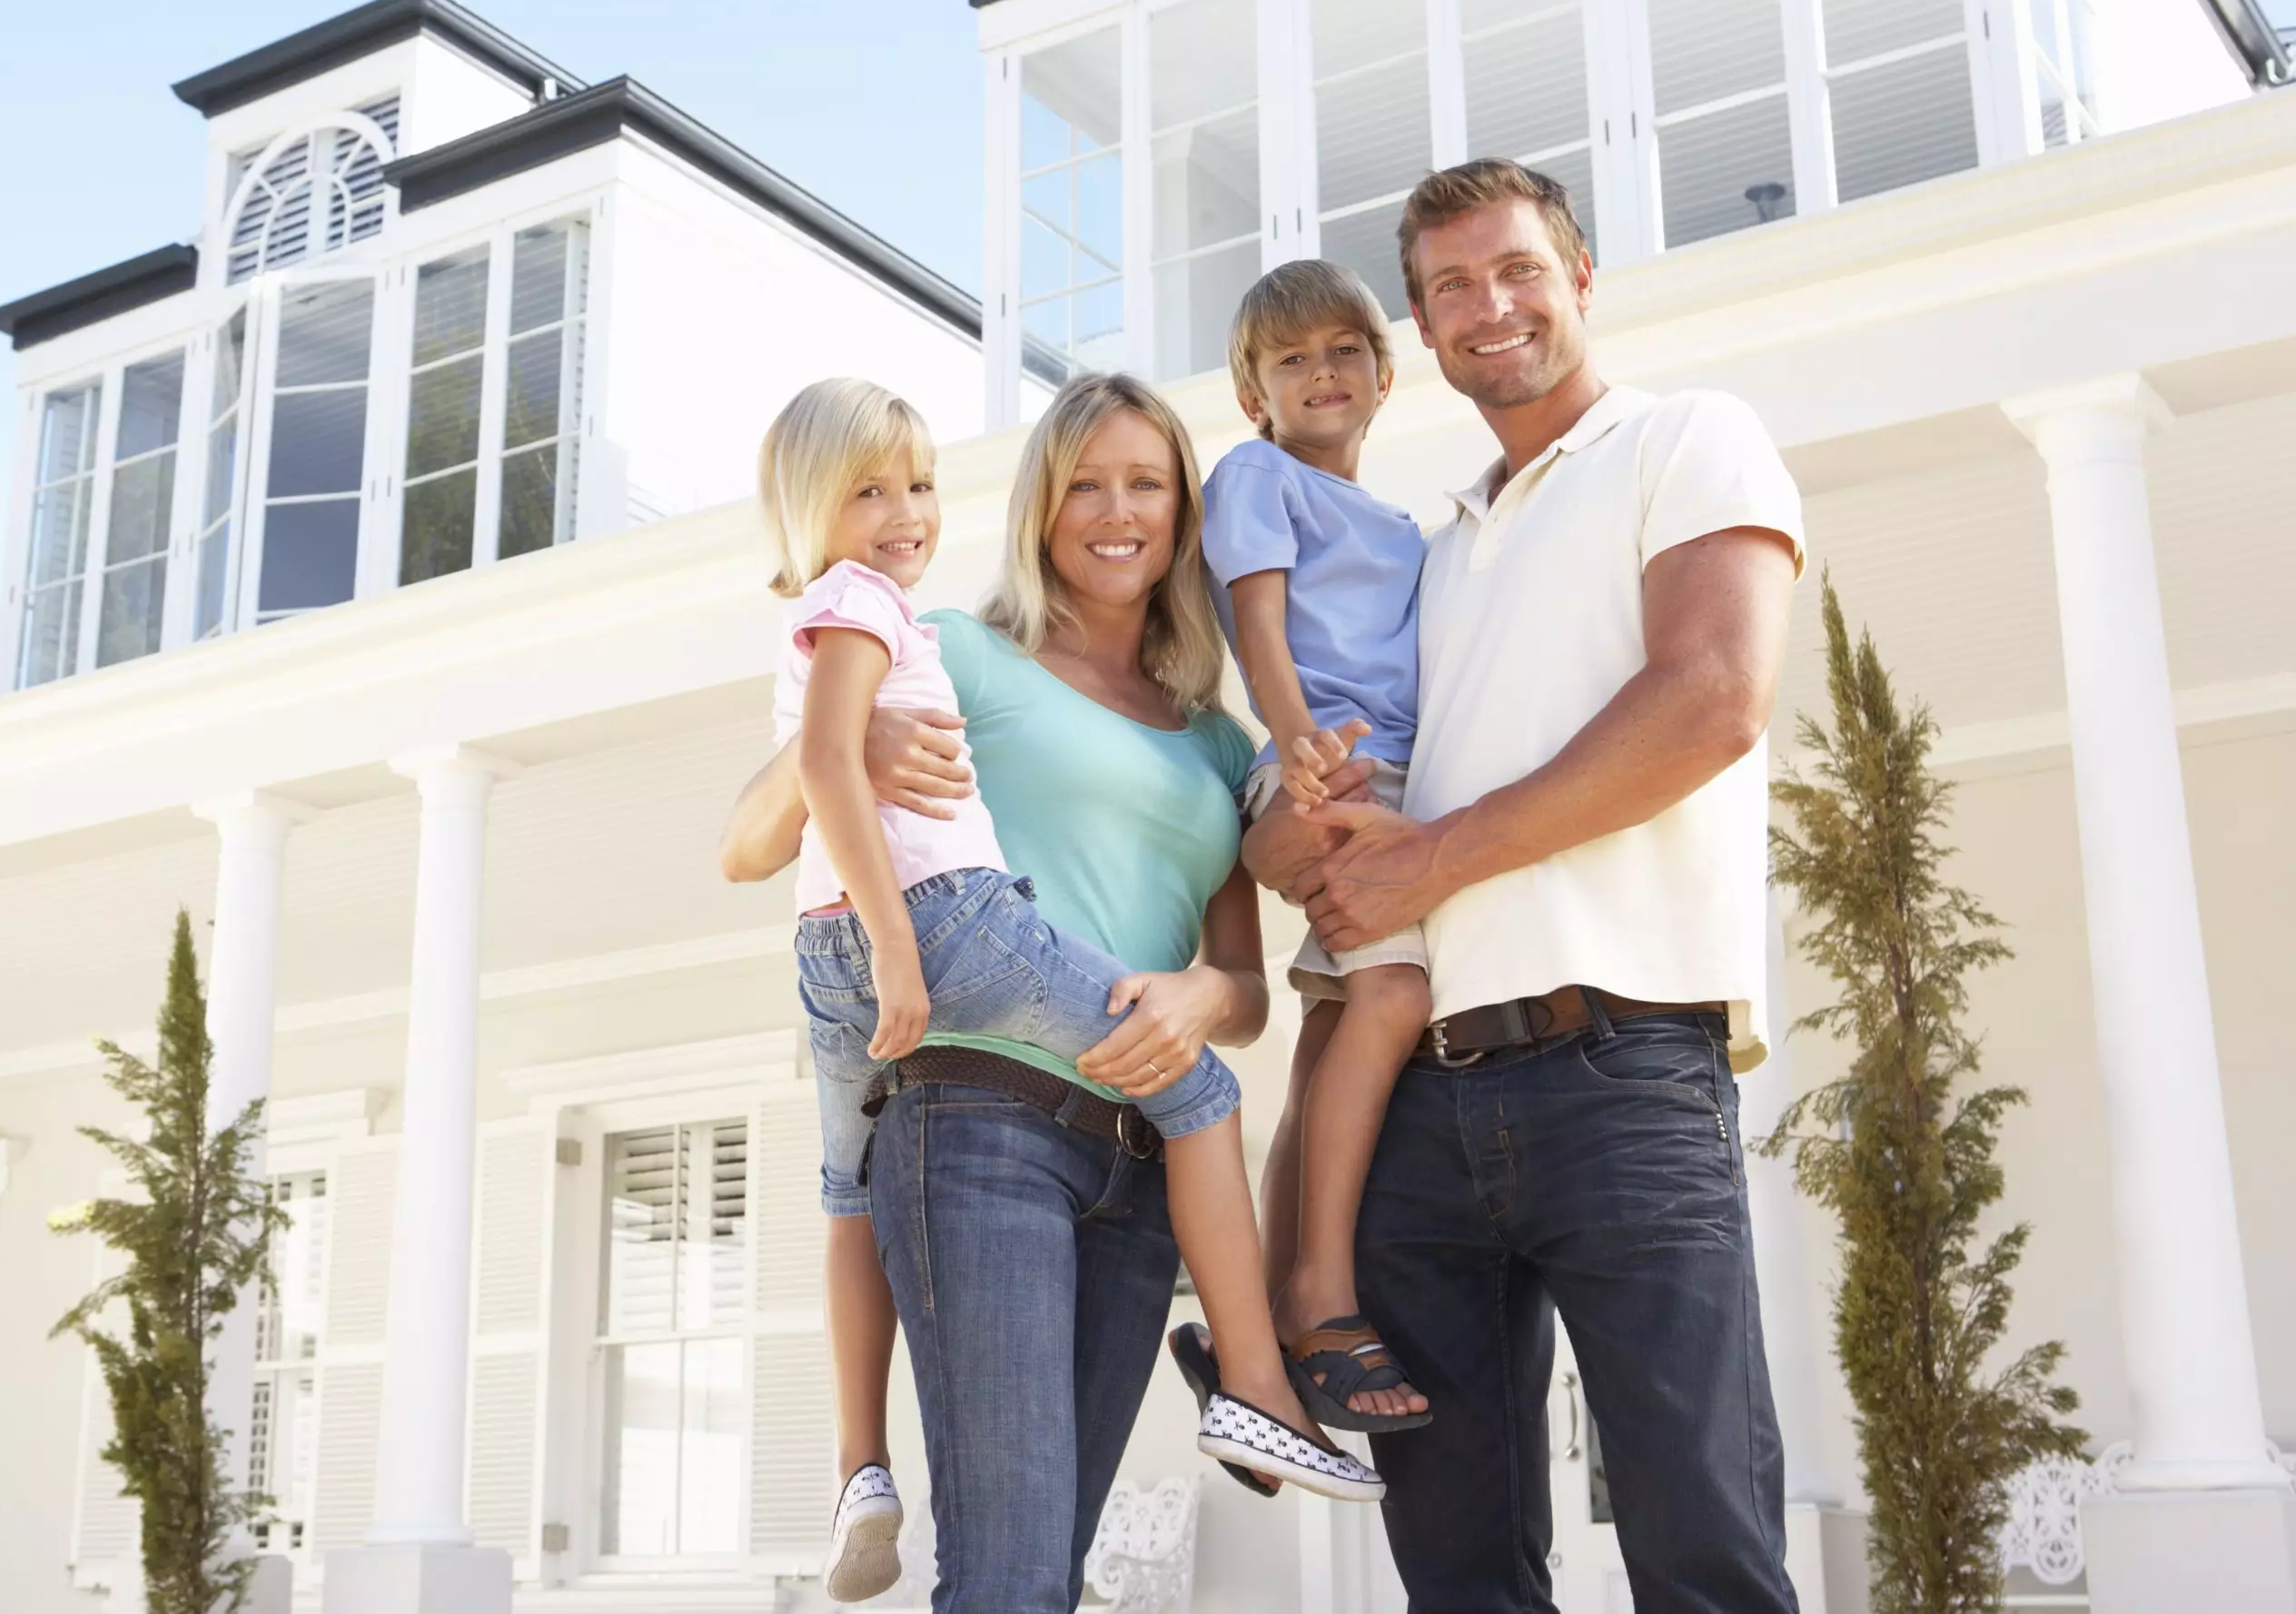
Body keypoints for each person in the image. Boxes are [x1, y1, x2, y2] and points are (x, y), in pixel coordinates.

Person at [1245, 158, 1806, 1613]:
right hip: (1416, 1107)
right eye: (1449, 288)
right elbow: (1331, 805)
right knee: (1460, 1574)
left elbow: (1713, 699)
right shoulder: (1427, 554)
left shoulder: (1686, 440)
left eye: (1516, 271)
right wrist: (1285, 833)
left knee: (1702, 1545)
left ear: (1581, 279)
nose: (1488, 306)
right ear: (1421, 333)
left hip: (1622, 1070)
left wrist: (1435, 854)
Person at [722, 372, 1373, 1614]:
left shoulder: (1214, 741)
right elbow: (748, 846)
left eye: (1147, 483)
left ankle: (1246, 1395)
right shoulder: (954, 648)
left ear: (1183, 513)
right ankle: (1252, 1391)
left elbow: (1241, 982)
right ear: (1040, 506)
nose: (1117, 510)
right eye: (1086, 483)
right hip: (981, 1127)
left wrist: (1196, 998)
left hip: (1137, 1166)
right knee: (1010, 1574)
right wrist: (839, 748)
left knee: (1044, 1577)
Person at [1197, 261, 1434, 1432]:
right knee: (1391, 995)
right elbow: (1260, 625)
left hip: (1398, 780)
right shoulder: (1256, 475)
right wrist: (1298, 747)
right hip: (1333, 768)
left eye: (1343, 350)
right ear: (1255, 394)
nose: (1320, 373)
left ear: (1384, 375)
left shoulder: (1402, 524)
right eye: (1289, 360)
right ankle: (1323, 1293)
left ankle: (1268, 1322)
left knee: (1338, 1022)